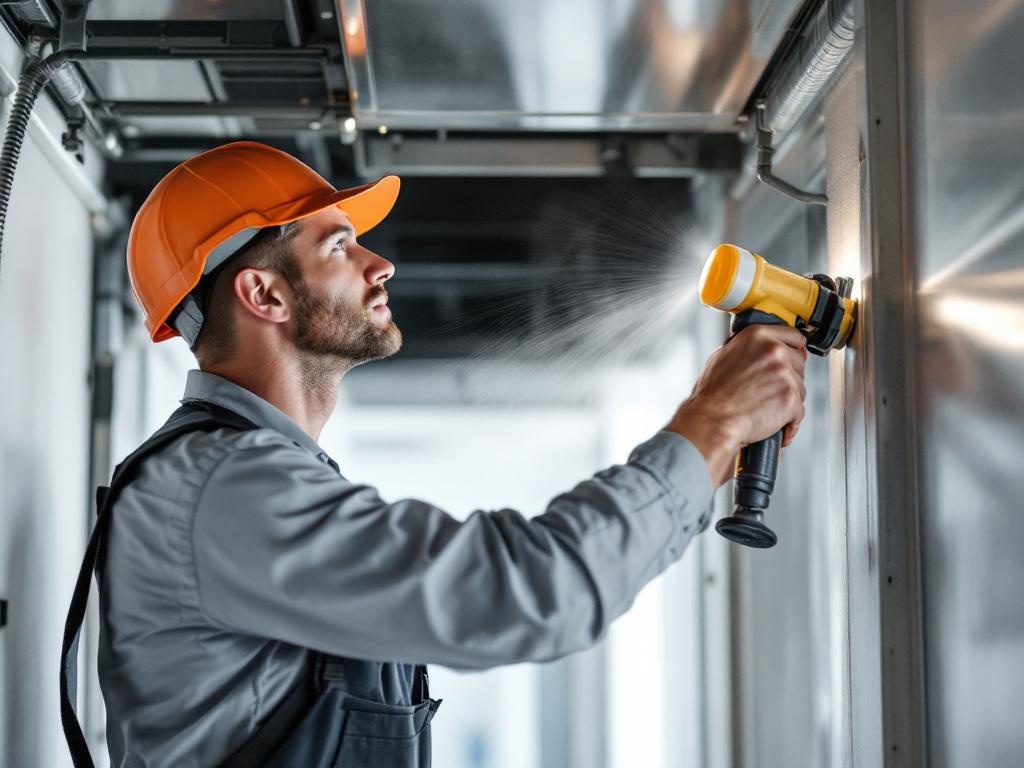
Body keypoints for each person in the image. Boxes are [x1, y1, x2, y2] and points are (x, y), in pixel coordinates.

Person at [77, 141, 807, 767]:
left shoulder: (248, 476)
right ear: (264, 294)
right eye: (338, 245)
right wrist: (715, 422)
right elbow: (529, 594)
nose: (380, 263)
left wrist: (714, 422)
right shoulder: (227, 487)